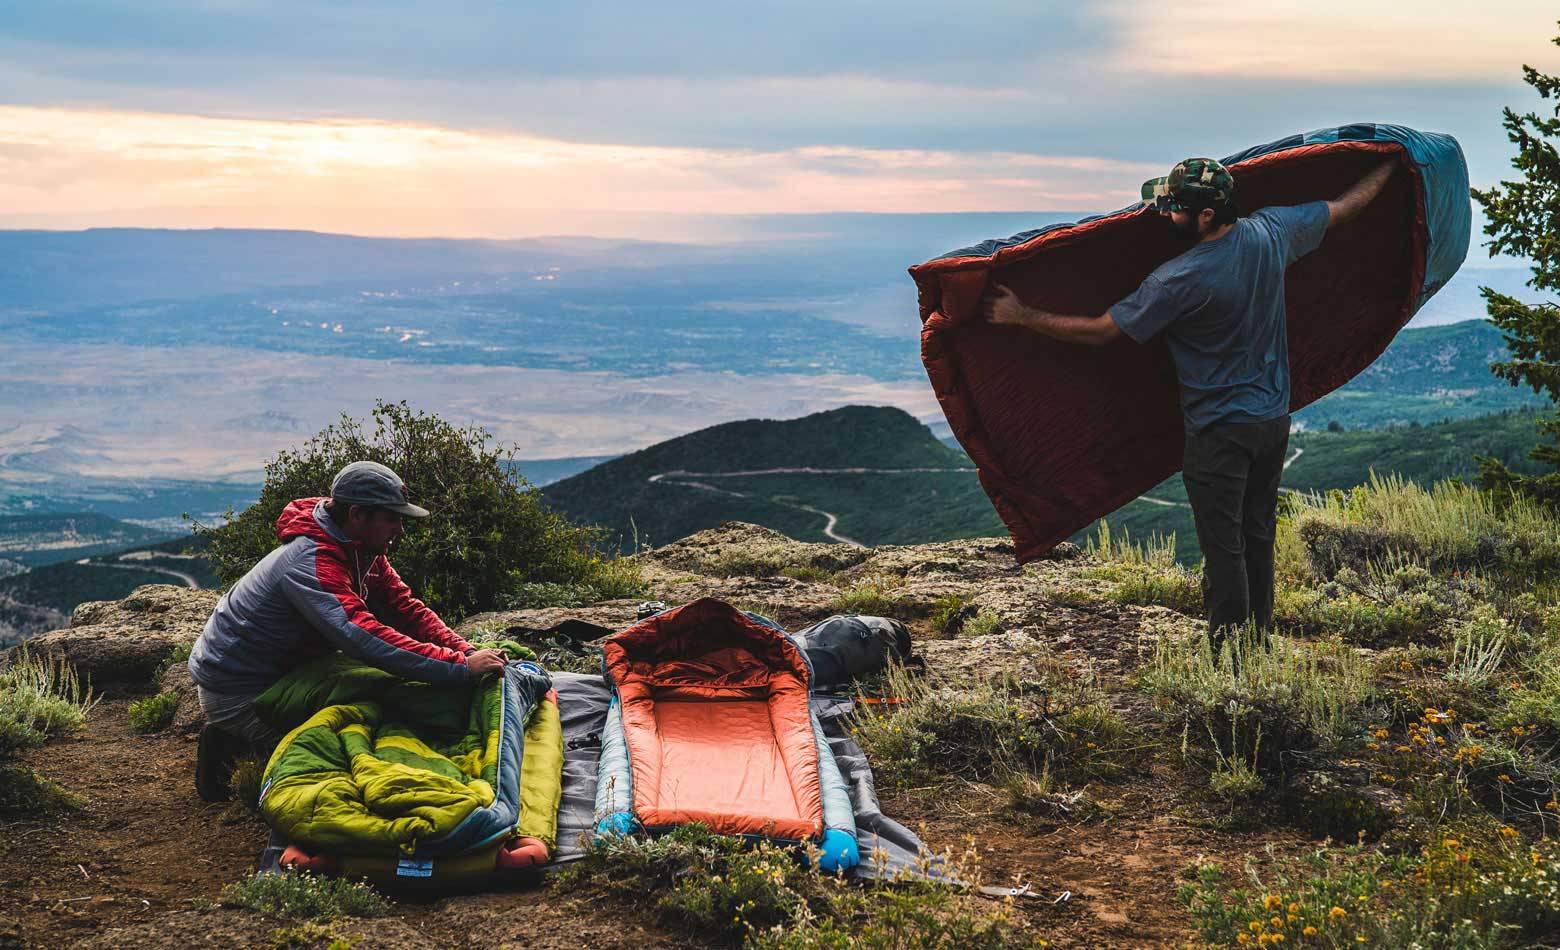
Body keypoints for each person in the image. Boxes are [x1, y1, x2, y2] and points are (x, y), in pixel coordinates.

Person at [983, 156, 1395, 649]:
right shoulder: (1271, 232)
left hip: (1220, 431)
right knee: (1257, 537)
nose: (1163, 215)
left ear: (1204, 216)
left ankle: (1230, 665)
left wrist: (1021, 314)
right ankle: (1256, 644)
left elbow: (1102, 331)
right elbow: (1346, 205)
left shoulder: (1180, 278)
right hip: (1271, 422)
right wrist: (1393, 162)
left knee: (1224, 550)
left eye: (1173, 208)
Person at [189, 460, 508, 798]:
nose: (399, 529)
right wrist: (457, 668)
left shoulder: (359, 548)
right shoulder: (311, 561)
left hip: (287, 670)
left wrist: (465, 651)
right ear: (357, 515)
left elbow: (405, 608)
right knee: (357, 736)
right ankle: (234, 739)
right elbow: (362, 635)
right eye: (391, 518)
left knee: (387, 691)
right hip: (242, 690)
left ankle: (237, 734)